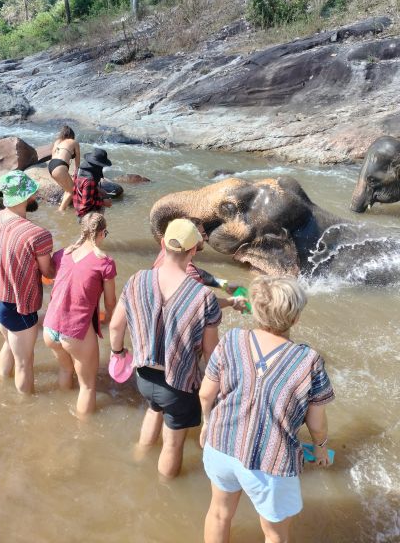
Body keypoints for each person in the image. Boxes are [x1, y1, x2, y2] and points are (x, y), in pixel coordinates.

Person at [199, 276, 335, 543]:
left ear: (256, 311)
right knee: (275, 534)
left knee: (219, 514)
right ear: (294, 318)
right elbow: (317, 423)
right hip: (270, 461)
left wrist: (206, 423)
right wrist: (321, 446)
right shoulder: (308, 361)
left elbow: (205, 393)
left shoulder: (231, 340)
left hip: (221, 443)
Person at [109, 218, 222, 479]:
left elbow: (116, 327)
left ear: (162, 244)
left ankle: (138, 456)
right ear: (194, 250)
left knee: (154, 408)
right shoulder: (203, 297)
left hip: (144, 377)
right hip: (178, 385)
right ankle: (164, 487)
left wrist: (118, 354)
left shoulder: (137, 279)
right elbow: (211, 352)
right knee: (173, 444)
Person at [0, 170, 54, 394]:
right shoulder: (37, 234)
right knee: (25, 363)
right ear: (25, 197)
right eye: (33, 194)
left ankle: (2, 385)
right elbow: (48, 270)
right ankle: (24, 407)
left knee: (8, 344)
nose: (36, 197)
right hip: (18, 305)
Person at [43, 212, 117, 414]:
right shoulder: (105, 263)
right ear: (101, 233)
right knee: (88, 386)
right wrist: (111, 321)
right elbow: (110, 302)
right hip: (75, 331)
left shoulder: (62, 254)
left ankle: (60, 407)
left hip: (50, 328)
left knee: (66, 369)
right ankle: (83, 433)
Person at [153, 218, 247, 312]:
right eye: (202, 234)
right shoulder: (188, 274)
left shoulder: (169, 251)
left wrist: (224, 285)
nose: (206, 238)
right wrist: (232, 302)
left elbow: (198, 273)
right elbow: (203, 305)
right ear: (193, 246)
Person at [73, 148, 113, 221]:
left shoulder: (80, 170)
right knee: (98, 232)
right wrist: (104, 202)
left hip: (79, 210)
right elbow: (87, 203)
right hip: (88, 216)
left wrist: (98, 189)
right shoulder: (89, 180)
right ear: (97, 166)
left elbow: (80, 187)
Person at [47, 125, 80, 212]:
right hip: (60, 166)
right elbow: (77, 162)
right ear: (72, 135)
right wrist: (77, 174)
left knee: (67, 190)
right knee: (72, 191)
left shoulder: (57, 141)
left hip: (51, 166)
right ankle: (61, 212)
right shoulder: (74, 142)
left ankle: (62, 208)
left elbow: (52, 155)